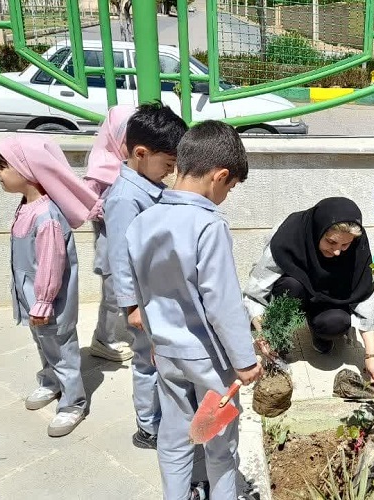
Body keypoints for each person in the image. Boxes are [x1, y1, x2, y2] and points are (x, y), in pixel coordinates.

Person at [126, 121, 263, 500]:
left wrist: (155, 338)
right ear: (220, 176)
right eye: (230, 188)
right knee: (220, 443)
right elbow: (222, 303)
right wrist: (244, 360)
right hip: (208, 361)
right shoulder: (208, 226)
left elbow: (141, 289)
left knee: (174, 437)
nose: (226, 196)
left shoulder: (142, 221)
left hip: (166, 353)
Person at [0, 135, 100, 437]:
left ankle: (73, 403)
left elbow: (51, 265)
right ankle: (51, 382)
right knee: (45, 345)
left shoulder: (47, 217)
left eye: (3, 166)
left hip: (49, 304)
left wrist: (43, 301)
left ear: (27, 170)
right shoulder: (27, 207)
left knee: (62, 353)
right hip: (34, 301)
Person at [244, 197, 374, 396]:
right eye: (331, 242)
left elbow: (363, 294)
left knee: (336, 322)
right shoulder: (290, 233)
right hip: (295, 292)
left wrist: (372, 355)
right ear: (317, 230)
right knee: (290, 286)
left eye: (345, 245)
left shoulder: (357, 246)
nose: (337, 252)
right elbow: (254, 293)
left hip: (329, 299)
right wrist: (265, 331)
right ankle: (279, 341)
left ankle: (319, 333)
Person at [102, 102, 188, 449]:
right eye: (167, 164)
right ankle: (149, 427)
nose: (170, 171)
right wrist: (131, 306)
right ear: (140, 153)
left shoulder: (147, 186)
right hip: (143, 301)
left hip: (157, 294)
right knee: (146, 361)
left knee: (159, 358)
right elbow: (120, 257)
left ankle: (162, 417)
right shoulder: (125, 198)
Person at [85, 105, 136, 363]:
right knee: (113, 294)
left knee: (129, 289)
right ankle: (103, 339)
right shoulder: (100, 167)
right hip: (110, 243)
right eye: (128, 140)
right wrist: (106, 209)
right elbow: (85, 202)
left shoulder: (131, 165)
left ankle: (132, 330)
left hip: (130, 242)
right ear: (115, 138)